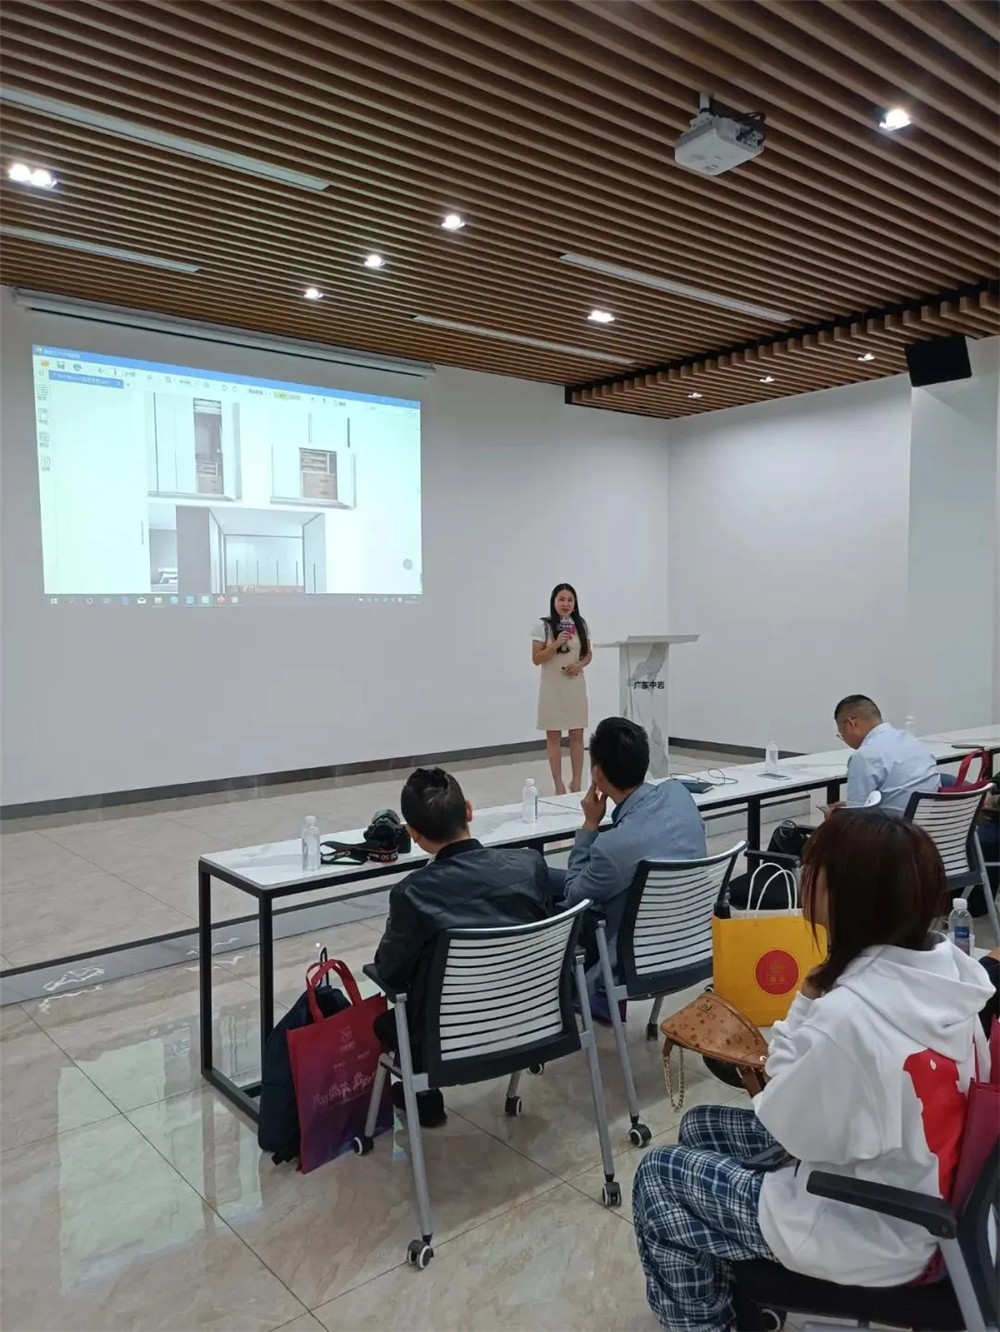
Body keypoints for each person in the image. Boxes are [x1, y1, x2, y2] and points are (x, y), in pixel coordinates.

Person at [632, 810, 993, 1332]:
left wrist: (807, 995)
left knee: (658, 1177)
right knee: (700, 1127)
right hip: (924, 1202)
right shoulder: (952, 975)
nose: (804, 877)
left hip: (873, 1230)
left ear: (849, 898)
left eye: (814, 869)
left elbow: (785, 1115)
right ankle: (734, 1288)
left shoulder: (850, 1019)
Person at [372, 766, 553, 1127]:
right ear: (469, 810)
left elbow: (389, 970)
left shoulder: (414, 893)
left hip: (447, 1039)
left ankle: (425, 1099)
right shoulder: (529, 865)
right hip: (532, 1021)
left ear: (413, 834)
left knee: (395, 1017)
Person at [551, 717, 706, 1005]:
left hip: (635, 961)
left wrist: (589, 825)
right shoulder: (680, 795)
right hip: (693, 944)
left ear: (597, 774)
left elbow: (573, 894)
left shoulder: (611, 848)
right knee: (543, 875)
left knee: (544, 888)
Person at [532, 583, 591, 794]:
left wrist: (580, 665)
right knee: (553, 735)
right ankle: (558, 783)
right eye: (561, 599)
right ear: (554, 601)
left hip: (574, 684)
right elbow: (536, 658)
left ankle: (577, 782)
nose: (566, 604)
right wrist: (556, 643)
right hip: (552, 687)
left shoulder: (580, 624)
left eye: (570, 600)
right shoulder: (543, 625)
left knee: (577, 733)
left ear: (575, 603)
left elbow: (588, 654)